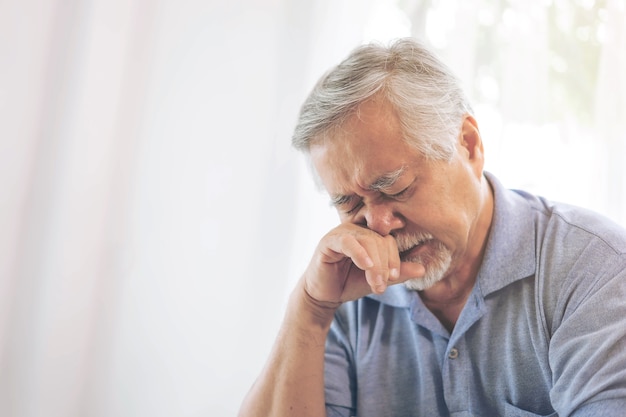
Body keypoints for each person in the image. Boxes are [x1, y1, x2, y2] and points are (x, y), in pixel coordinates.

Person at [238, 38, 626, 417]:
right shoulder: (345, 288)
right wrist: (310, 311)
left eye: (395, 188)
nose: (378, 225)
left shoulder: (595, 270)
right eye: (350, 204)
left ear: (469, 145)